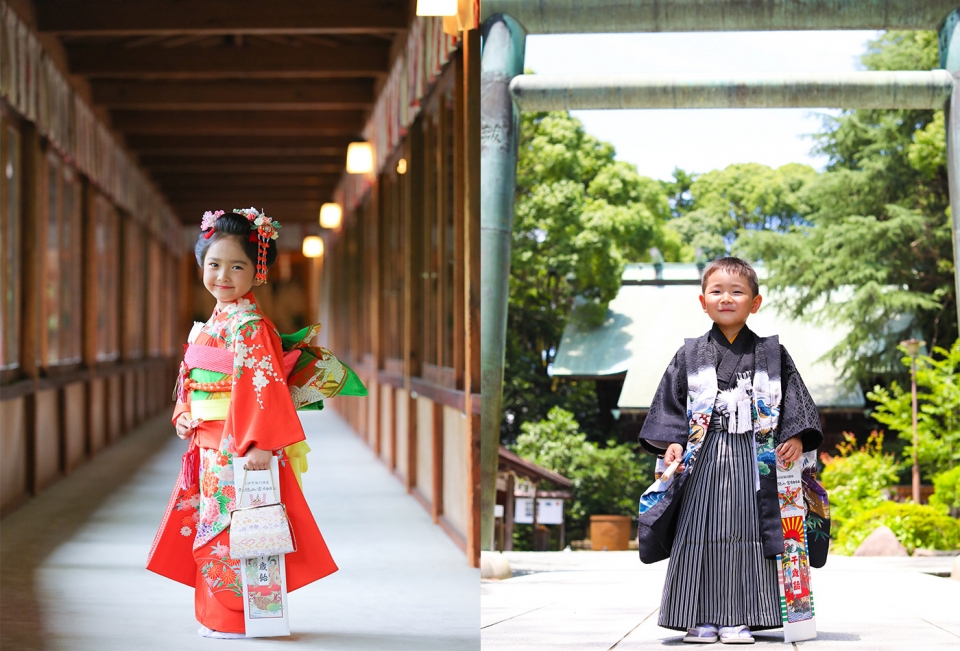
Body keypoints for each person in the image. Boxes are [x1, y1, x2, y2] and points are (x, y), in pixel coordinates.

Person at [147, 208, 357, 639]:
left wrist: (262, 442)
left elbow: (264, 384)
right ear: (202, 265)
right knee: (212, 521)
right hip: (208, 443)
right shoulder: (215, 322)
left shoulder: (250, 326)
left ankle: (236, 617)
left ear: (257, 271)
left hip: (239, 446)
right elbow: (192, 375)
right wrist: (184, 411)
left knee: (236, 529)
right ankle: (214, 615)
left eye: (237, 266)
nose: (223, 275)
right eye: (214, 264)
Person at [637, 257, 825, 645]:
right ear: (702, 301)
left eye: (737, 292)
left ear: (755, 303)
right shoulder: (688, 354)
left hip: (756, 459)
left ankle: (742, 618)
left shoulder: (773, 354)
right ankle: (698, 618)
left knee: (750, 531)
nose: (726, 298)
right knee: (698, 530)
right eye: (717, 291)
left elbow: (796, 403)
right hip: (704, 454)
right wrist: (672, 441)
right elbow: (670, 408)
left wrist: (797, 438)